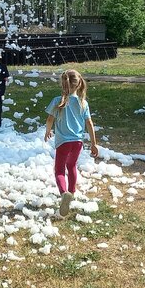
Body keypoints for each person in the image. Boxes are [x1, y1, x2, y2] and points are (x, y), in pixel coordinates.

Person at [44, 69, 99, 216]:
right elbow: (89, 123)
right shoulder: (83, 103)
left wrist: (48, 130)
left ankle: (64, 194)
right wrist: (93, 143)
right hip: (77, 143)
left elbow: (50, 119)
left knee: (59, 170)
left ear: (63, 84)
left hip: (63, 143)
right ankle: (72, 192)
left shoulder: (57, 101)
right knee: (72, 165)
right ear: (79, 83)